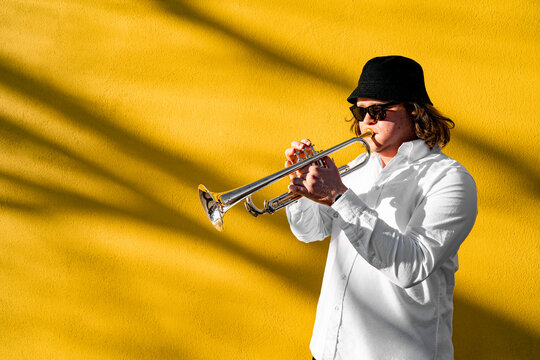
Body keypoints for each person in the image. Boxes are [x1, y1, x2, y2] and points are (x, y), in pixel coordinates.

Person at [284, 56, 477, 360]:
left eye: (378, 110)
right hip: (328, 351)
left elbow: (412, 265)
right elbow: (309, 232)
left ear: (414, 112)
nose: (366, 121)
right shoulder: (355, 169)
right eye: (360, 111)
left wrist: (338, 196)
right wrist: (302, 190)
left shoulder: (449, 179)